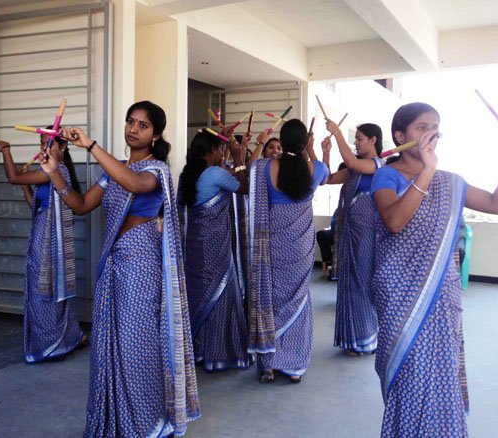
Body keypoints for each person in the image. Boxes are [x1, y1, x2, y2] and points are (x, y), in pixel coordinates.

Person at [41, 101, 199, 437]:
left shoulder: (156, 170)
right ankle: (116, 418)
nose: (133, 129)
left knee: (136, 345)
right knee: (111, 344)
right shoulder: (113, 170)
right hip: (113, 266)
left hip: (141, 267)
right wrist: (54, 171)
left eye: (142, 125)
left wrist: (91, 146)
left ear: (155, 135)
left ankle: (145, 422)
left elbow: (135, 184)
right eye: (130, 121)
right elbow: (81, 205)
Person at [371, 102, 498, 436]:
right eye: (422, 127)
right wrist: (427, 170)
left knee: (441, 372)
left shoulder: (451, 182)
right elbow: (395, 221)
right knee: (410, 374)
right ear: (399, 136)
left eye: (435, 127)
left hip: (442, 296)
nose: (431, 134)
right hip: (400, 295)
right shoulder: (386, 175)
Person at [248, 119, 329, 384]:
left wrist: (261, 142)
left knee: (272, 298)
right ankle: (294, 366)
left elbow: (249, 171)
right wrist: (311, 149)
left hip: (273, 241)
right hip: (301, 245)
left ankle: (269, 364)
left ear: (281, 142)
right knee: (299, 298)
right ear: (305, 142)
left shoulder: (264, 167)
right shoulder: (316, 169)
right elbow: (326, 174)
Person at [0, 131, 85, 363]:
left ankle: (52, 345)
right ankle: (71, 336)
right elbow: (34, 205)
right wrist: (26, 185)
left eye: (50, 144)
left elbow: (13, 177)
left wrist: (6, 151)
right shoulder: (50, 172)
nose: (45, 148)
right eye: (42, 144)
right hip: (42, 235)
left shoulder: (55, 171)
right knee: (44, 289)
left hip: (49, 242)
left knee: (44, 291)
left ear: (62, 148)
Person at [178, 130, 253, 371]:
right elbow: (244, 188)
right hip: (216, 246)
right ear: (212, 151)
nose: (222, 153)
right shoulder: (214, 174)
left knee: (199, 293)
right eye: (219, 149)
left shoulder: (189, 174)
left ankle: (199, 349)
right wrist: (239, 157)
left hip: (195, 245)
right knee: (221, 293)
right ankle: (219, 351)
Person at [323, 121, 384, 356]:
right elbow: (326, 178)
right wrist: (325, 152)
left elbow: (352, 161)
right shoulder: (355, 170)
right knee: (349, 283)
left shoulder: (378, 165)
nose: (355, 143)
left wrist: (337, 132)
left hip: (367, 234)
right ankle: (353, 338)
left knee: (363, 282)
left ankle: (366, 338)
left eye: (359, 139)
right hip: (349, 232)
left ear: (373, 140)